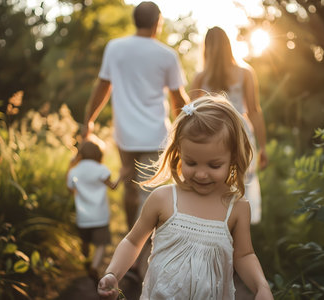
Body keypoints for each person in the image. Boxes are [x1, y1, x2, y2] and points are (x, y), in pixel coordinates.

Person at [97, 95, 273, 300]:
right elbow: (133, 242)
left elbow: (244, 255)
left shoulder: (237, 207)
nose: (201, 173)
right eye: (191, 163)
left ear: (233, 158)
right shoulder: (163, 199)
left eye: (214, 165)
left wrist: (262, 287)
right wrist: (113, 273)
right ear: (179, 153)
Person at [83, 1, 190, 234]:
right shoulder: (167, 55)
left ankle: (130, 242)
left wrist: (88, 121)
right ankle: (141, 255)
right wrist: (190, 129)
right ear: (157, 22)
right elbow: (178, 100)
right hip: (156, 135)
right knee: (148, 195)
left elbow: (102, 87)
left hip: (125, 135)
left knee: (130, 192)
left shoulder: (114, 48)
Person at [190, 26, 268, 224]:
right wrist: (263, 147)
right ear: (229, 46)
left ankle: (214, 224)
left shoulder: (201, 77)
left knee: (215, 180)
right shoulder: (245, 73)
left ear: (206, 48)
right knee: (241, 182)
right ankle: (239, 229)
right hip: (240, 133)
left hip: (210, 133)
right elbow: (254, 111)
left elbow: (190, 114)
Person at [67, 136, 121, 284]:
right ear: (98, 154)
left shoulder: (74, 171)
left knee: (85, 241)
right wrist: (122, 175)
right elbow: (113, 186)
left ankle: (85, 256)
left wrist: (70, 166)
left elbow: (70, 189)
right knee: (101, 244)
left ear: (81, 154)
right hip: (100, 216)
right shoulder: (101, 170)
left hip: (83, 216)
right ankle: (95, 266)